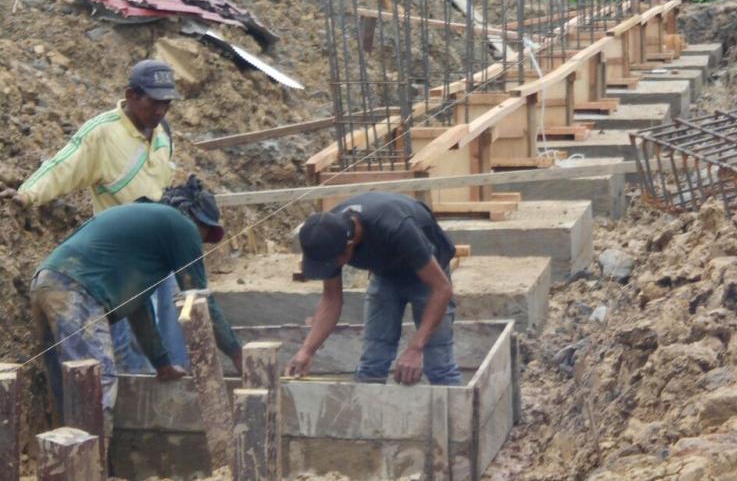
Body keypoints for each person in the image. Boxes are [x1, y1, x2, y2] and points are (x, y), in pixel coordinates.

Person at [1, 59, 188, 370]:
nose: (160, 111)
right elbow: (64, 165)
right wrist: (27, 193)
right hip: (119, 258)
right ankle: (128, 400)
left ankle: (172, 384)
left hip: (157, 252)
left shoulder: (162, 134)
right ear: (131, 95)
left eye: (166, 104)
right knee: (124, 336)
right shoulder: (102, 133)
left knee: (170, 327)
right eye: (154, 103)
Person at [30, 176, 242, 440]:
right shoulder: (182, 226)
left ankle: (68, 467)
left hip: (46, 281)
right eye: (205, 234)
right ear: (194, 218)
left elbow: (138, 310)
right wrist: (236, 352)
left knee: (66, 385)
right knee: (96, 383)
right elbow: (199, 301)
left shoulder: (147, 233)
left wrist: (161, 363)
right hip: (77, 290)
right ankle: (91, 468)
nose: (200, 244)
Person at [285, 192, 461, 386]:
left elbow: (442, 289)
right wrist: (306, 351)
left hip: (429, 278)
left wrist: (414, 349)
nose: (329, 268)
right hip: (386, 274)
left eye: (330, 264)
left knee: (439, 366)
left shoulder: (397, 227)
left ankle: (460, 415)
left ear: (348, 248)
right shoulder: (327, 234)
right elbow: (331, 299)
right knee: (372, 365)